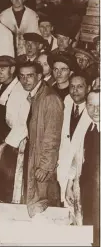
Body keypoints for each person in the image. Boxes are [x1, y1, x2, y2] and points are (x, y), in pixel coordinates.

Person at [18, 61, 63, 218]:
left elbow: (53, 136)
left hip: (44, 164)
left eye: (29, 76)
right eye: (22, 76)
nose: (25, 80)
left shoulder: (49, 98)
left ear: (39, 76)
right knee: (36, 205)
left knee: (44, 207)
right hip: (35, 159)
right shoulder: (35, 96)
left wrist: (45, 166)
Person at [0, 55, 30, 203]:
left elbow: (22, 123)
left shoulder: (20, 91)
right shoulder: (0, 86)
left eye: (2, 68)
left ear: (12, 69)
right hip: (2, 134)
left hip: (14, 139)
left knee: (10, 176)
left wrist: (6, 143)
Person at [66, 90, 100, 246]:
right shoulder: (87, 127)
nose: (96, 111)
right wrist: (70, 183)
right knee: (88, 229)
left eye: (100, 105)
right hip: (87, 189)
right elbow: (77, 158)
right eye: (91, 105)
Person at [57, 73, 91, 207]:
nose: (75, 90)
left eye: (79, 87)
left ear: (88, 88)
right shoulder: (67, 101)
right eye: (72, 86)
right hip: (62, 165)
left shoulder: (94, 109)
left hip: (81, 170)